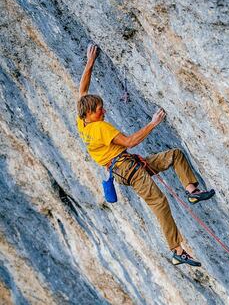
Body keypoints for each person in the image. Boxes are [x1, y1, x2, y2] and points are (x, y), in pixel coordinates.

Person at [76, 44, 215, 267]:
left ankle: (192, 191)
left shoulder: (82, 122)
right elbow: (130, 141)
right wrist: (153, 123)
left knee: (175, 155)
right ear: (91, 113)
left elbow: (82, 91)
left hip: (126, 166)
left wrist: (90, 61)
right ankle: (177, 250)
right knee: (159, 202)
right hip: (128, 169)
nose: (105, 111)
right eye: (101, 109)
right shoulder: (100, 128)